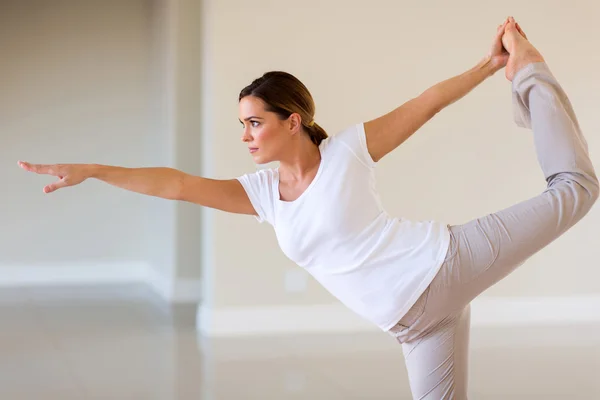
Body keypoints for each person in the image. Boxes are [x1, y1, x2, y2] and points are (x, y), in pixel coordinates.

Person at [19, 16, 598, 400]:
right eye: (241, 124)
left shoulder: (346, 152)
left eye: (255, 122)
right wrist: (94, 170)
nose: (246, 135)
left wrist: (493, 65)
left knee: (575, 189)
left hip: (444, 264)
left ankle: (530, 71)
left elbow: (424, 104)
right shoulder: (265, 196)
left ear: (290, 120)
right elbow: (176, 184)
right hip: (417, 327)